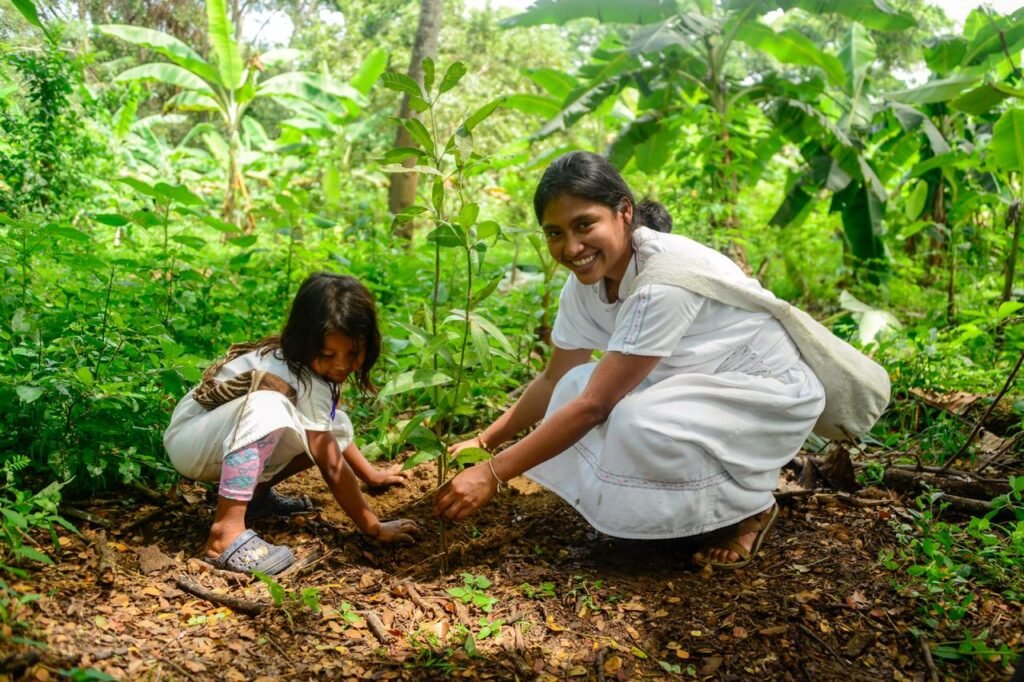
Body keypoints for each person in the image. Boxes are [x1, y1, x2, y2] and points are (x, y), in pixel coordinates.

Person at [434, 151, 826, 568]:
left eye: (584, 225)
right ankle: (676, 517)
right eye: (554, 233)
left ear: (624, 211)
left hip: (761, 393)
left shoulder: (664, 279)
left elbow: (595, 406)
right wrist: (484, 442)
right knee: (571, 387)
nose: (571, 247)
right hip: (691, 383)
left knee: (636, 419)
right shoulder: (587, 282)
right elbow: (553, 379)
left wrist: (493, 473)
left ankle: (748, 510)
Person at [165, 273, 417, 575]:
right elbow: (331, 467)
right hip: (192, 440)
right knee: (269, 408)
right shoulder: (296, 373)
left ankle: (255, 496)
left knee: (330, 424)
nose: (341, 364)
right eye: (328, 354)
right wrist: (374, 527)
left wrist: (372, 476)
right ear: (304, 340)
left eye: (353, 353)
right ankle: (225, 532)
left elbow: (330, 437)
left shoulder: (311, 370)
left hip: (213, 439)